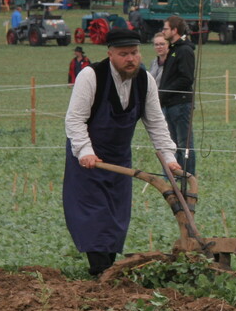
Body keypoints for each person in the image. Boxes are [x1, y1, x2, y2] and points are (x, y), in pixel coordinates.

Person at [63, 27, 179, 277]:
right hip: (89, 158)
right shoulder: (90, 76)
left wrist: (169, 158)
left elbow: (156, 122)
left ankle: (108, 268)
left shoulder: (145, 80)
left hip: (119, 158)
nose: (131, 59)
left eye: (135, 53)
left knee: (116, 214)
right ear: (111, 54)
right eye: (124, 54)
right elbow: (74, 120)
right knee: (91, 213)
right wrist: (85, 151)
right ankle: (99, 268)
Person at [158, 15, 196, 175]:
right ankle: (174, 176)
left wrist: (165, 92)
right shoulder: (174, 49)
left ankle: (187, 176)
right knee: (172, 143)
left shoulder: (184, 50)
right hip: (169, 104)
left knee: (184, 144)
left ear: (174, 30)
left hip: (180, 104)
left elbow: (186, 78)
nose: (163, 31)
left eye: (166, 28)